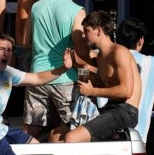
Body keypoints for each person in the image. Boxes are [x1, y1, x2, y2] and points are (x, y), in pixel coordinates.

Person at [22, 0, 88, 139]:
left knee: (31, 128)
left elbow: (25, 42)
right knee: (71, 127)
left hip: (37, 75)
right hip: (66, 77)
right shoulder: (77, 11)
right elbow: (80, 50)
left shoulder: (36, 7)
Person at [60, 11, 142, 143]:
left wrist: (92, 91)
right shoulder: (101, 57)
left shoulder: (119, 52)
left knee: (72, 137)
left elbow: (126, 91)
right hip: (111, 108)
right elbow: (100, 82)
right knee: (56, 135)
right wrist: (73, 66)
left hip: (126, 111)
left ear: (99, 31)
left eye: (86, 31)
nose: (83, 35)